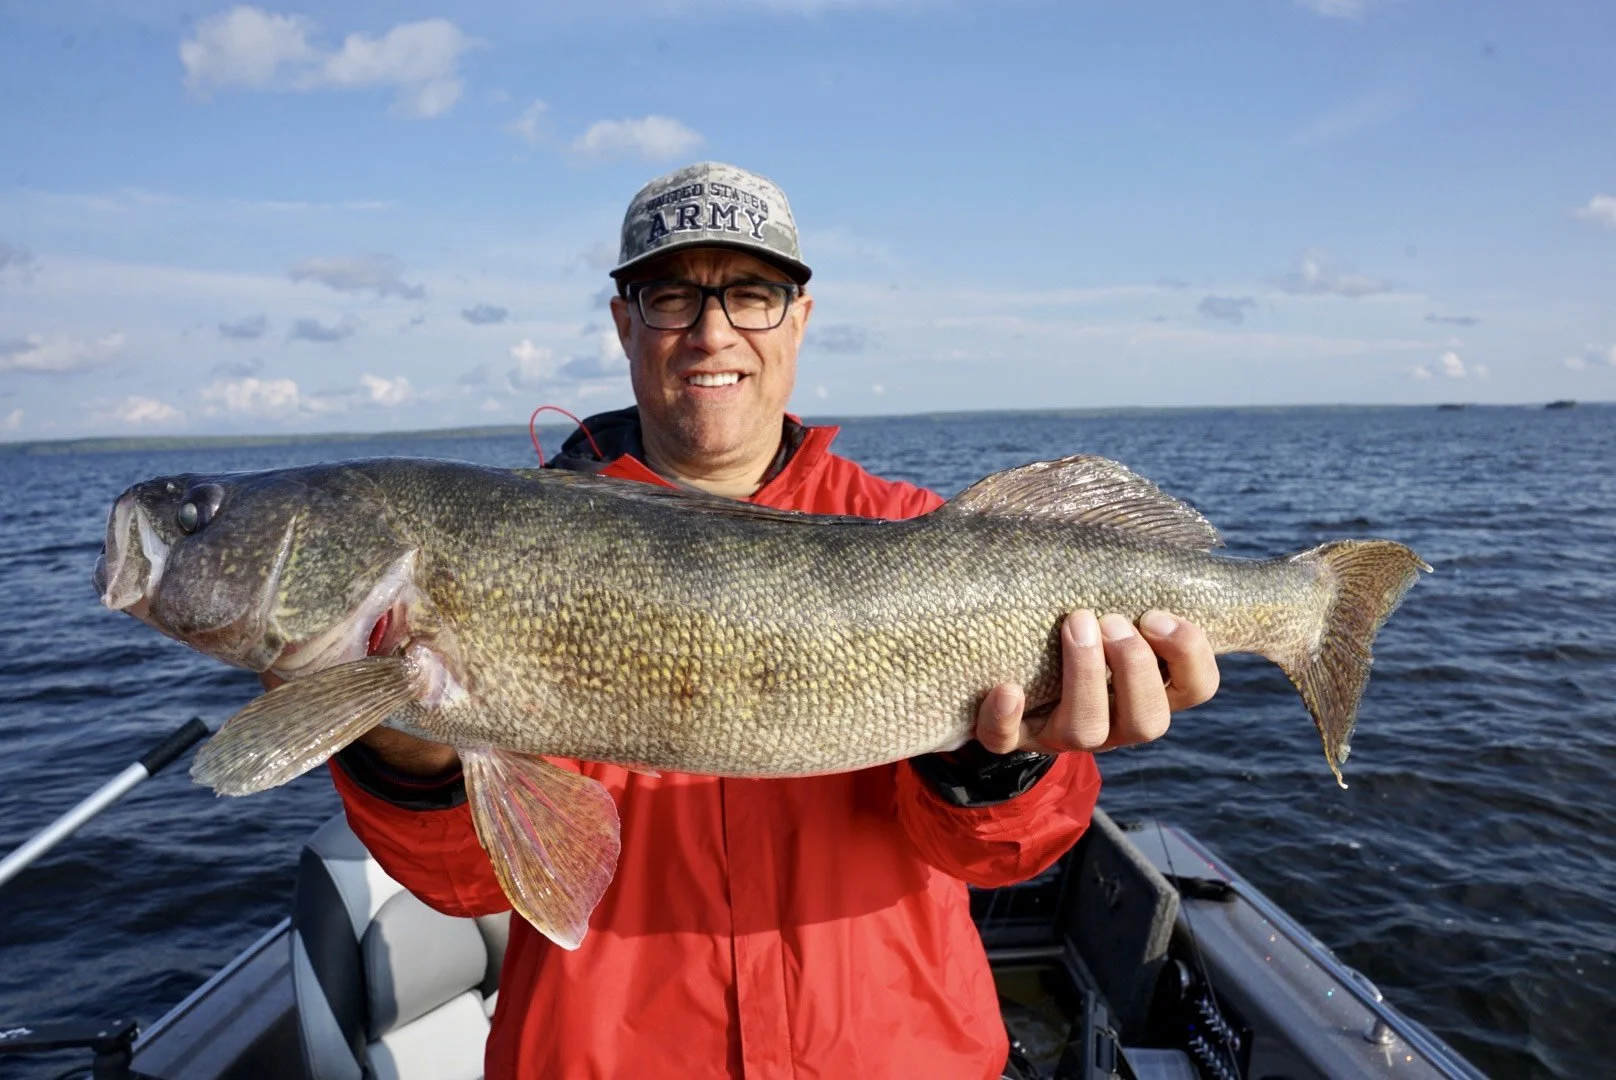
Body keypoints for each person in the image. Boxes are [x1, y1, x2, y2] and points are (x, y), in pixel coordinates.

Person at [325, 162, 1221, 1079]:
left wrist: (1003, 759)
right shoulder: (503, 545)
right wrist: (406, 733)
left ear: (800, 318)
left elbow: (1008, 857)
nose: (712, 332)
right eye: (671, 296)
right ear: (623, 321)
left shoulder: (917, 529)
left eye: (751, 295)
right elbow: (463, 882)